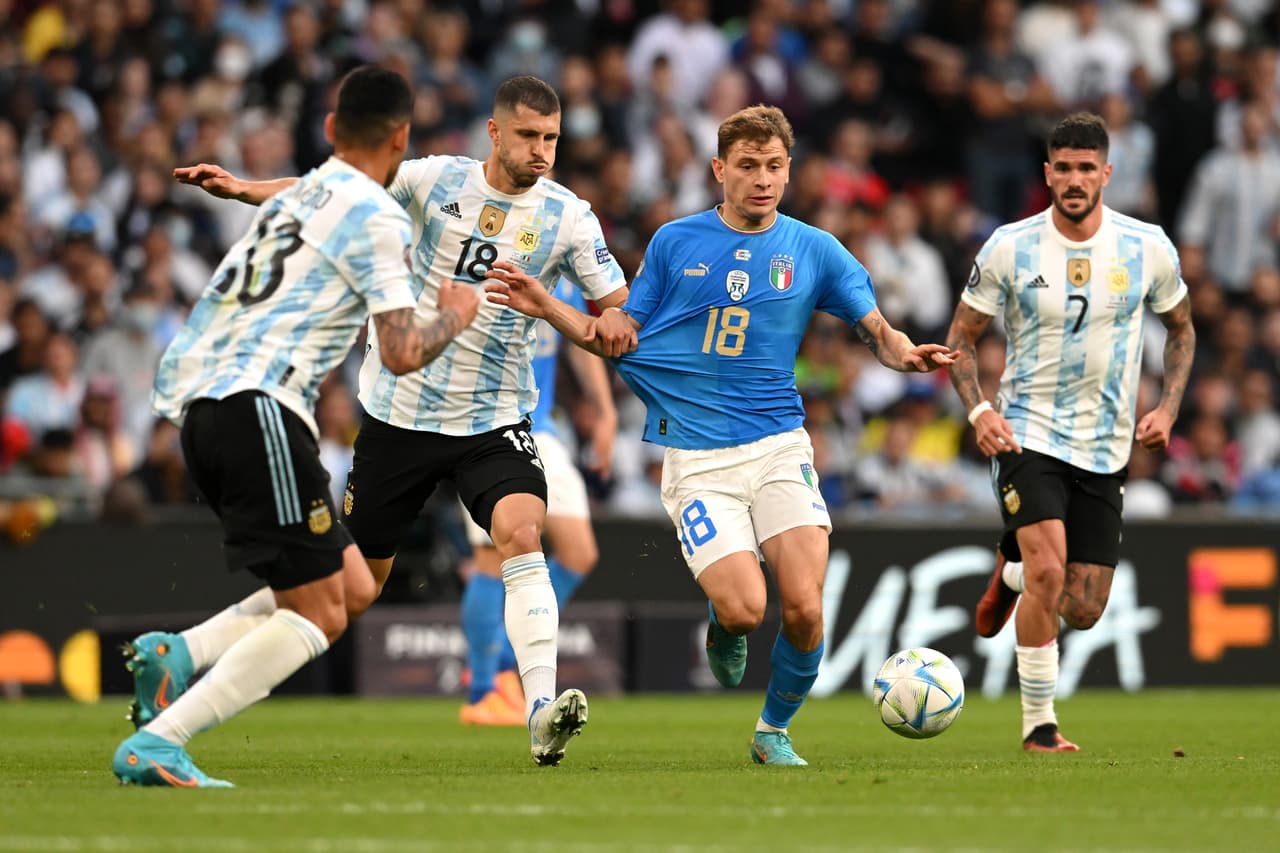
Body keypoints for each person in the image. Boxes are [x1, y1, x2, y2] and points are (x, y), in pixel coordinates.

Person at [155, 75, 628, 766]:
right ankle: (184, 649)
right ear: (494, 133)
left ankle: (537, 709)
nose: (541, 151)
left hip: (492, 418)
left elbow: (615, 316)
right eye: (528, 135)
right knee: (352, 590)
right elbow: (336, 192)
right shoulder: (437, 180)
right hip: (398, 417)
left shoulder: (571, 218)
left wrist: (565, 310)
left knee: (521, 532)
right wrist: (244, 188)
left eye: (551, 138)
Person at [486, 105, 956, 765]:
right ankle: (723, 622)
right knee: (744, 609)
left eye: (774, 167)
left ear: (788, 171)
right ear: (719, 170)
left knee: (804, 607)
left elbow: (876, 328)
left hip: (779, 445)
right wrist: (550, 305)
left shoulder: (814, 248)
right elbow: (616, 332)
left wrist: (904, 354)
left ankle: (772, 732)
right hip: (699, 460)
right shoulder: (677, 243)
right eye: (747, 166)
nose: (762, 179)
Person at [112, 65, 481, 787]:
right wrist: (456, 316)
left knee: (347, 583)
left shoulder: (307, 194)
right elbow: (404, 352)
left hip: (204, 407)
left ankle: (178, 653)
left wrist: (245, 186)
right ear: (402, 138)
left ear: (331, 130)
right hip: (259, 407)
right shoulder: (376, 215)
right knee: (320, 614)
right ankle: (162, 739)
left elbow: (288, 195)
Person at [944, 112, 1195, 752]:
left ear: (1106, 173)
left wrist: (1167, 408)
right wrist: (980, 413)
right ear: (1047, 173)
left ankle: (1009, 574)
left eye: (1088, 168)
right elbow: (961, 339)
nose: (1076, 179)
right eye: (1065, 168)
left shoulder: (1147, 247)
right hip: (1027, 432)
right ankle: (1039, 727)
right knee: (1050, 571)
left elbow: (1183, 329)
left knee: (1082, 607)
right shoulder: (1010, 245)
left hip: (1106, 444)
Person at [458, 278, 616, 726]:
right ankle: (483, 691)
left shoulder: (562, 274)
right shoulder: (487, 260)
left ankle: (508, 660)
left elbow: (583, 340)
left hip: (541, 427)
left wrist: (604, 412)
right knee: (491, 559)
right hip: (488, 426)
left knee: (580, 553)